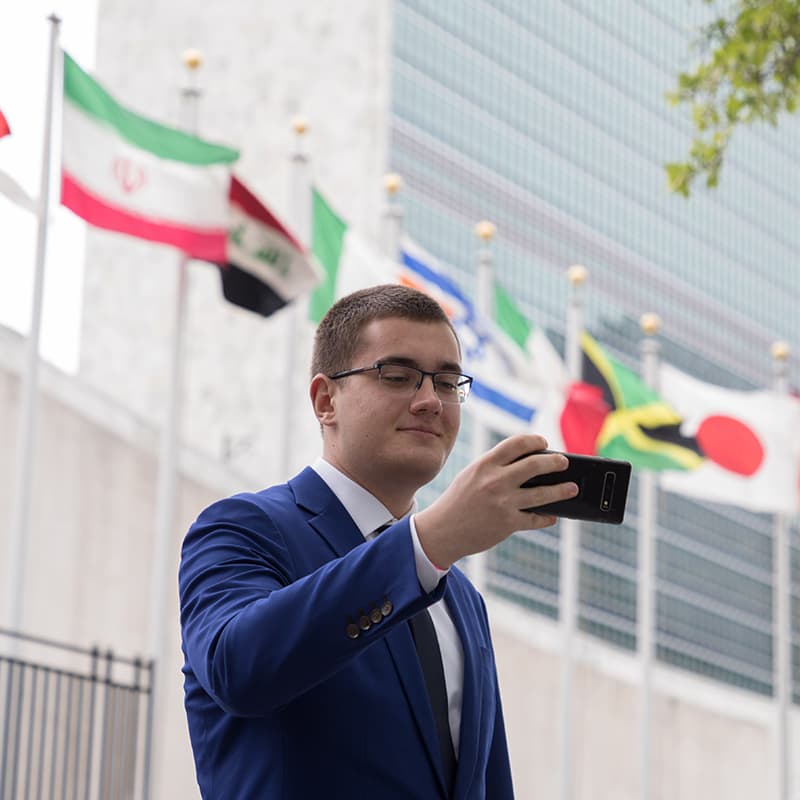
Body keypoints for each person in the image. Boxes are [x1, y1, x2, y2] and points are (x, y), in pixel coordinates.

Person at [179, 284, 578, 799]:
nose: (431, 401)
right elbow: (238, 668)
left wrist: (427, 550)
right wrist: (427, 543)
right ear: (326, 400)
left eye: (448, 381)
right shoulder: (242, 529)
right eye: (398, 376)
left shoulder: (461, 598)